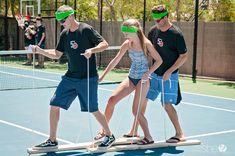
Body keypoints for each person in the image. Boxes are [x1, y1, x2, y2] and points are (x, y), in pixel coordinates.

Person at [31, 5, 115, 149]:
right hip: (70, 77)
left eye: (63, 20)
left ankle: (109, 135)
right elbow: (57, 55)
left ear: (71, 16)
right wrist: (40, 51)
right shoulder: (64, 34)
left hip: (87, 78)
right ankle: (52, 140)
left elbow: (105, 44)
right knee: (54, 104)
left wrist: (92, 50)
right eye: (59, 21)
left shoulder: (86, 29)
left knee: (93, 109)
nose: (61, 23)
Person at [95, 19, 162, 145]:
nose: (124, 35)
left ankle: (148, 137)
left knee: (136, 111)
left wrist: (148, 73)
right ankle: (104, 131)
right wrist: (102, 76)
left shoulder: (146, 44)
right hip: (131, 78)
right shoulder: (127, 44)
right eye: (124, 32)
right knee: (111, 100)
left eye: (127, 32)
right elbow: (115, 61)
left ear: (135, 31)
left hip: (143, 81)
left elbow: (159, 60)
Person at [145, 4, 188, 143]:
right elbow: (147, 47)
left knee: (167, 104)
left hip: (169, 76)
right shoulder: (153, 31)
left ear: (166, 17)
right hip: (154, 74)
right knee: (142, 99)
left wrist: (169, 71)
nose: (156, 23)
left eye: (158, 20)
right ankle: (135, 132)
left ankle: (179, 133)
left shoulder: (176, 34)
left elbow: (184, 56)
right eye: (154, 20)